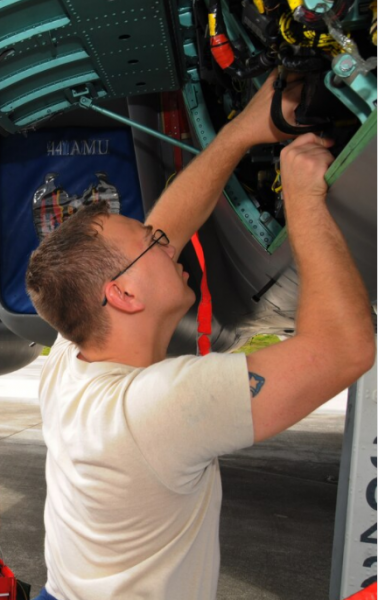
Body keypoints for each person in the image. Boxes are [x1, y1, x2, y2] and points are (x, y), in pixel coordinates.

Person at [26, 71, 375, 600]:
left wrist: (240, 132)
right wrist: (303, 197)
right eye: (154, 246)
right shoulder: (155, 406)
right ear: (122, 296)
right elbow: (344, 349)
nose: (169, 245)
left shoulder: (72, 357)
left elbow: (170, 220)